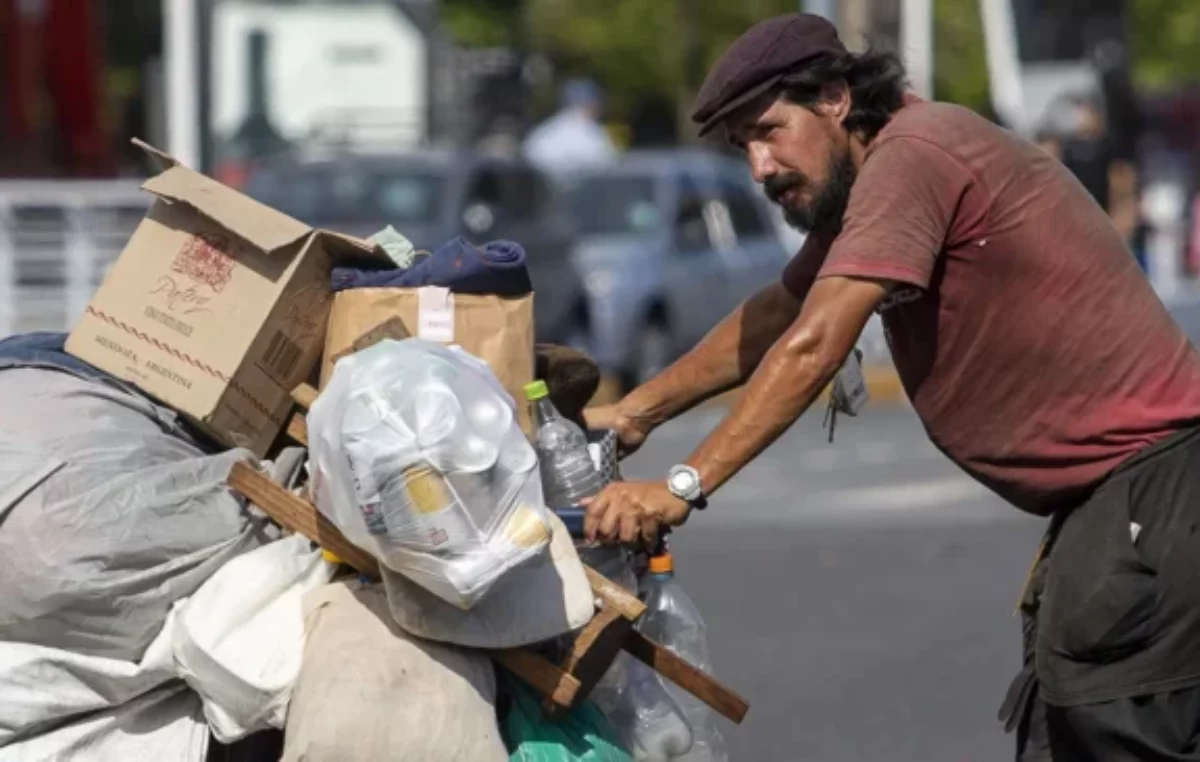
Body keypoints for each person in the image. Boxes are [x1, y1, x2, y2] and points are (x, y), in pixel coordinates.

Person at [582, 12, 1200, 761]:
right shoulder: (884, 168)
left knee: (1110, 732)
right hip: (1116, 504)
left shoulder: (914, 158)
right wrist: (633, 414)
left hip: (1150, 493)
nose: (760, 166)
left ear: (836, 99)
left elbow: (814, 342)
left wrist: (682, 483)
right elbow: (782, 311)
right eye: (741, 144)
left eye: (769, 130)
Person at [523, 78, 617, 175]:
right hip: (585, 186)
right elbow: (607, 162)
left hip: (547, 186)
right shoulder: (590, 130)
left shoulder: (547, 130)